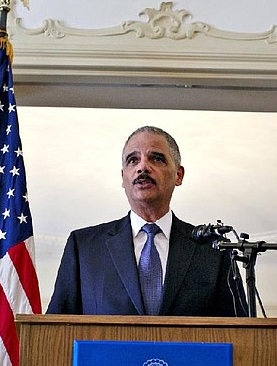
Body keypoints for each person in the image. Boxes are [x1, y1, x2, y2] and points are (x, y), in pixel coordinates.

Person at [46, 125, 247, 316]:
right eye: (133, 160)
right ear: (123, 176)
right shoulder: (84, 247)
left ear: (178, 174)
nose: (143, 166)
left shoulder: (214, 250)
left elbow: (240, 335)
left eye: (156, 159)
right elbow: (56, 331)